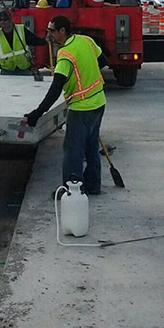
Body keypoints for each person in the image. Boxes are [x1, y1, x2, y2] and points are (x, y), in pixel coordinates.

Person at [24, 15, 109, 194]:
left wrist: (37, 113)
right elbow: (103, 61)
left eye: (52, 31)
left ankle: (72, 190)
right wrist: (87, 74)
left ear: (63, 31)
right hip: (99, 103)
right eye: (47, 31)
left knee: (73, 152)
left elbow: (55, 89)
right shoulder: (86, 40)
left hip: (81, 109)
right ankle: (93, 186)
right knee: (91, 148)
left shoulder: (65, 55)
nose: (49, 35)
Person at [0, 10, 45, 75]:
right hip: (7, 71)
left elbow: (34, 40)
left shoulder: (21, 30)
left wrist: (45, 41)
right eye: (0, 20)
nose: (2, 22)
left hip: (24, 70)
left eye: (4, 20)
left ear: (11, 20)